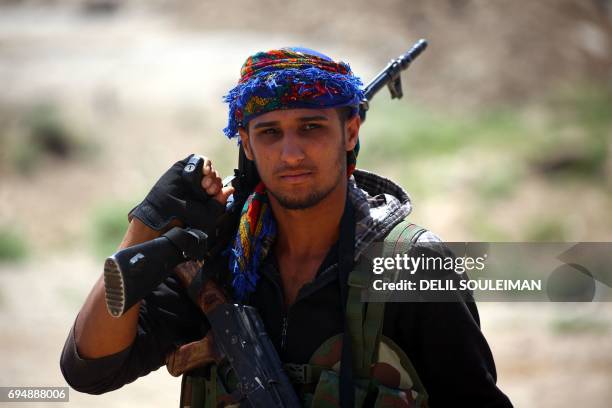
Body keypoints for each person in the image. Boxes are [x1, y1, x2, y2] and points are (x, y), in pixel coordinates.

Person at [60, 47, 513, 407]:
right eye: (270, 133)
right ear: (248, 146)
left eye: (312, 127)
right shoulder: (219, 257)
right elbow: (91, 368)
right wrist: (148, 225)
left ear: (351, 132)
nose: (291, 153)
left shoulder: (408, 264)